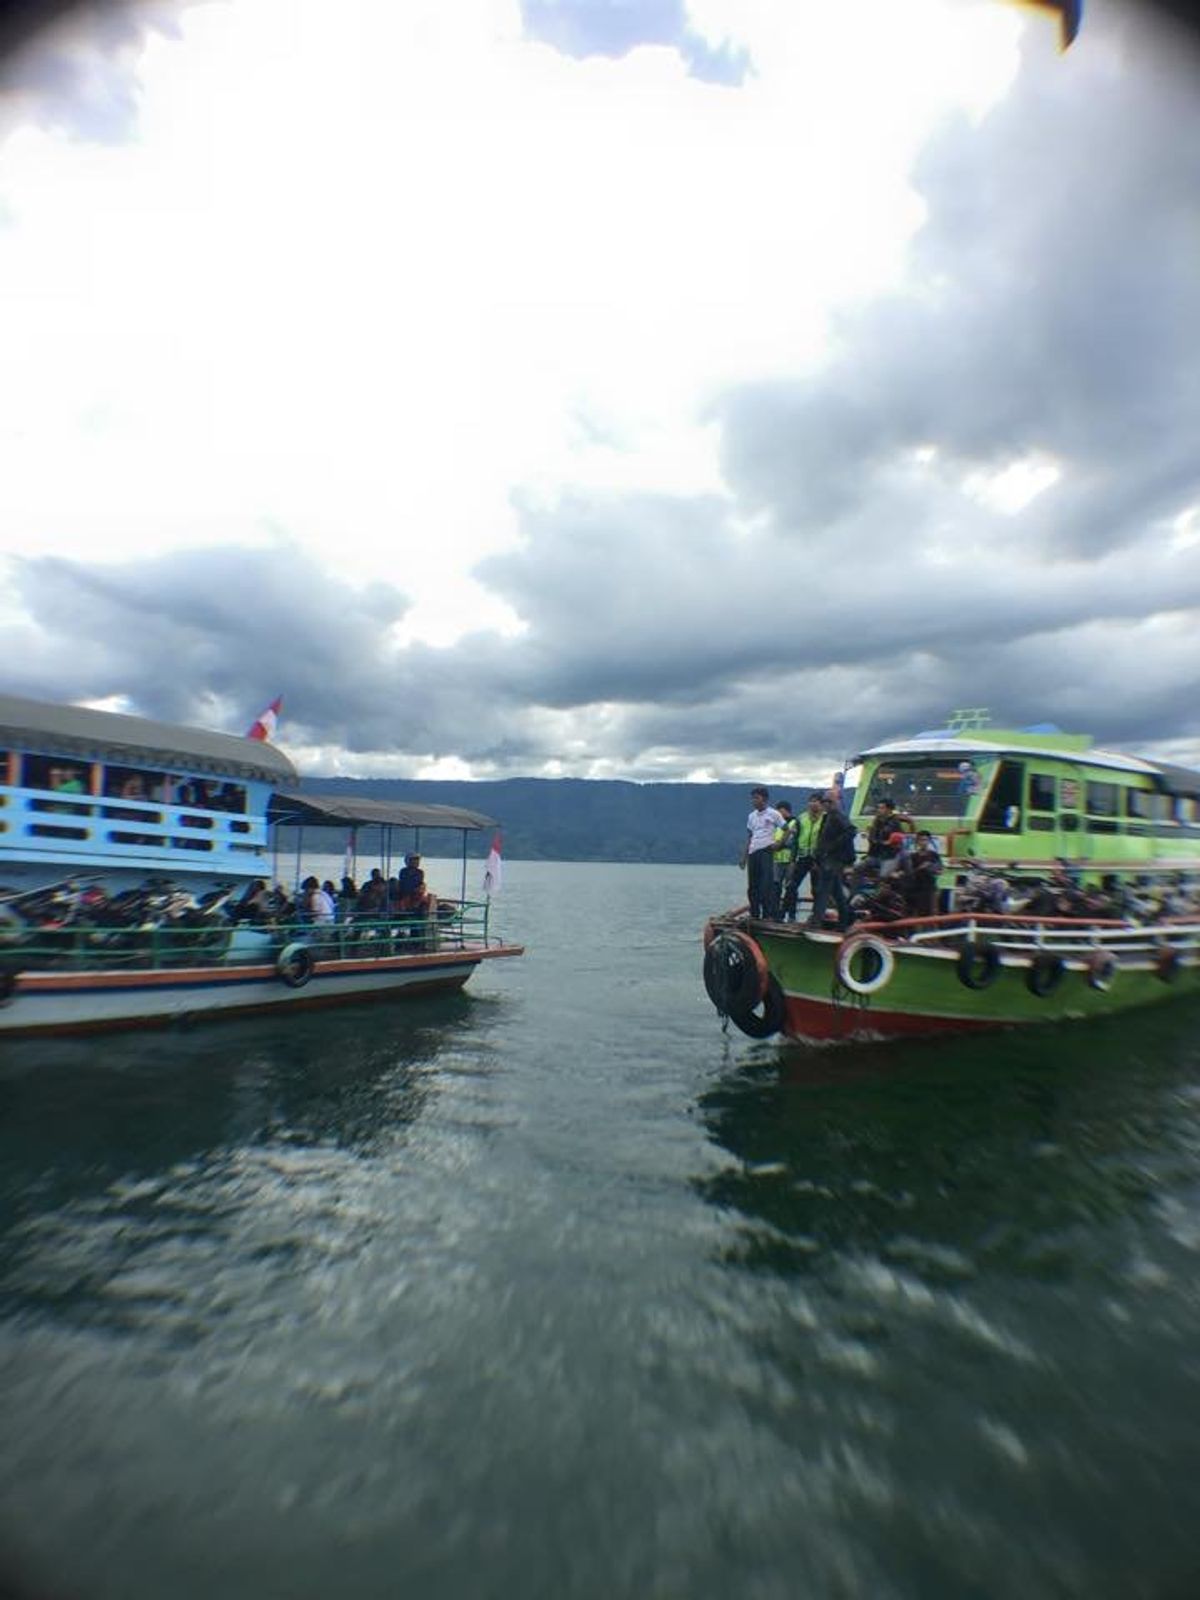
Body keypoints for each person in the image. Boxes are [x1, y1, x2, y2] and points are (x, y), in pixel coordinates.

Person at [808, 792, 854, 932]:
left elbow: (851, 831)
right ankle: (845, 921)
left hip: (834, 859)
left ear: (833, 803)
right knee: (837, 893)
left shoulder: (838, 816)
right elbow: (823, 839)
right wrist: (818, 855)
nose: (825, 804)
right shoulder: (828, 817)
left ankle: (816, 922)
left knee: (823, 890)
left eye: (827, 801)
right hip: (827, 859)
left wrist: (833, 846)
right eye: (824, 802)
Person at [740, 787, 782, 919]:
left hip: (766, 851)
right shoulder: (751, 816)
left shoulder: (773, 814)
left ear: (764, 799)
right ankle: (755, 913)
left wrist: (779, 844)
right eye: (753, 798)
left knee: (766, 885)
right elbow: (749, 836)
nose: (754, 801)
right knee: (753, 886)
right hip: (753, 852)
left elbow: (788, 829)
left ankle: (767, 914)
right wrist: (744, 857)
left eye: (756, 798)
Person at [771, 801, 798, 920]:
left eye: (779, 811)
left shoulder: (794, 823)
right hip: (777, 860)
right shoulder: (778, 826)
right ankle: (776, 914)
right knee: (776, 888)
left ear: (785, 810)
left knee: (790, 888)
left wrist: (778, 845)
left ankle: (791, 915)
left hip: (790, 860)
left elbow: (792, 841)